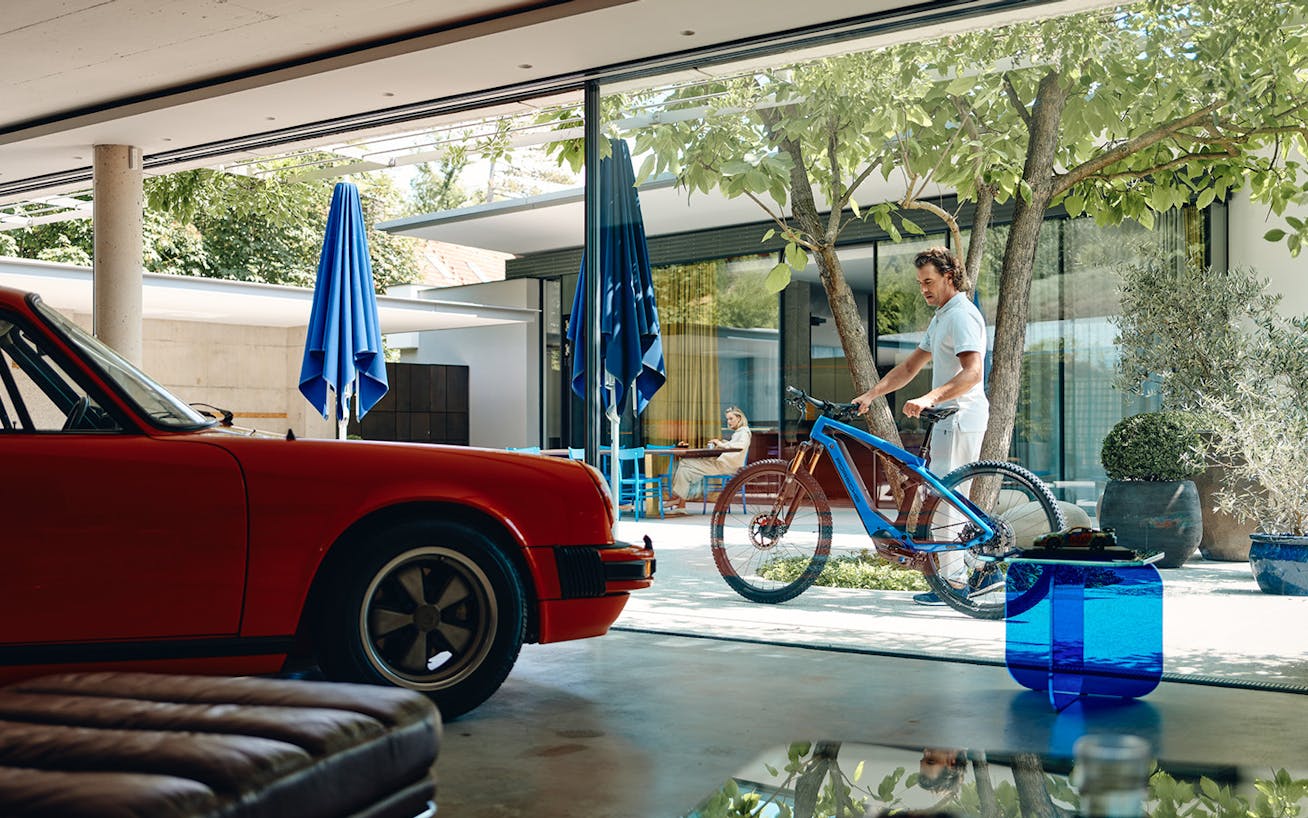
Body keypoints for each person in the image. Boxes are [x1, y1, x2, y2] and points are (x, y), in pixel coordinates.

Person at [850, 246, 989, 606]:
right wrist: (872, 394)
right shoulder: (941, 317)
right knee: (940, 498)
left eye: (929, 281)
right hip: (948, 417)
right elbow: (909, 367)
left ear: (949, 277)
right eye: (920, 283)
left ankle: (958, 582)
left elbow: (972, 373)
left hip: (962, 416)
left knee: (949, 502)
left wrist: (931, 398)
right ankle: (970, 571)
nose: (924, 289)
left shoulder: (961, 316)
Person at [667, 405, 751, 511]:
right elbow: (734, 445)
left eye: (731, 419)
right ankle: (681, 504)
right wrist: (724, 443)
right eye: (727, 419)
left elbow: (740, 446)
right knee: (685, 469)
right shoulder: (740, 432)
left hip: (726, 467)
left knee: (685, 463)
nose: (729, 422)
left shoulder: (744, 432)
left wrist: (721, 444)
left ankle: (676, 498)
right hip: (723, 464)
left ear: (739, 418)